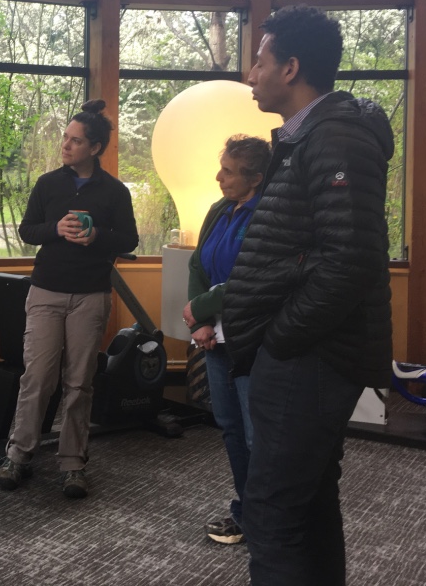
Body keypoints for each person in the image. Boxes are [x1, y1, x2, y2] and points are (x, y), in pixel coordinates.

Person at [221, 5, 393, 585]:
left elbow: (352, 259)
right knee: (309, 500)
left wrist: (281, 339)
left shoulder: (335, 138)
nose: (251, 75)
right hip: (305, 355)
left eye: (260, 61)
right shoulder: (308, 139)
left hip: (310, 355)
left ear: (290, 68)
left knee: (271, 509)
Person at [0, 99, 139, 499]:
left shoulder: (114, 191)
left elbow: (129, 240)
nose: (66, 146)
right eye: (65, 138)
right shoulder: (48, 184)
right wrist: (56, 228)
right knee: (37, 377)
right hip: (45, 291)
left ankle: (73, 463)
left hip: (91, 294)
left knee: (79, 382)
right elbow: (27, 231)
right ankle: (18, 454)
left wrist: (98, 237)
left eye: (75, 141)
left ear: (94, 148)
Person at [183, 135, 271, 546]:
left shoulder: (269, 212)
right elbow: (197, 263)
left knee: (258, 434)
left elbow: (251, 278)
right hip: (214, 337)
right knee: (231, 427)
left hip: (252, 336)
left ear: (255, 178)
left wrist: (202, 306)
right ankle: (246, 511)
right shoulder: (219, 209)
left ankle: (269, 518)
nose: (219, 178)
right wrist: (199, 320)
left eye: (229, 172)